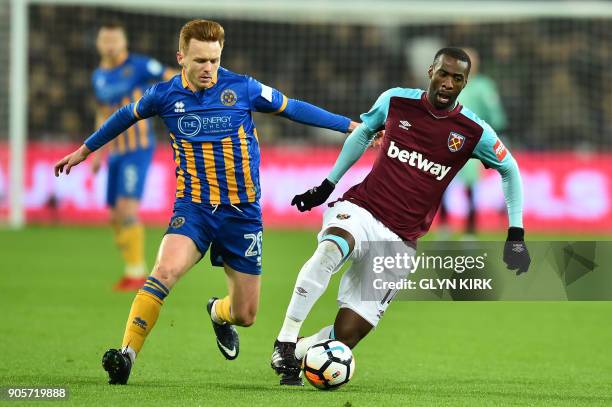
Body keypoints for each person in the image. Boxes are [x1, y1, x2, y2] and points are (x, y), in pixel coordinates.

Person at [54, 19, 358, 385]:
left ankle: (217, 312)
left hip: (242, 215)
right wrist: (85, 150)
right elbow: (124, 116)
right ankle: (126, 356)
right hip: (194, 208)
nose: (208, 69)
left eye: (214, 60)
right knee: (163, 273)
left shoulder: (242, 88)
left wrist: (348, 126)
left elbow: (292, 107)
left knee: (245, 315)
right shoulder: (164, 95)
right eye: (200, 61)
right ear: (181, 57)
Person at [270, 47, 531, 386]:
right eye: (443, 73)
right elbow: (363, 132)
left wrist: (516, 233)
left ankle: (303, 351)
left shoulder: (472, 131)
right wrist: (327, 185)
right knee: (332, 247)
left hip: (401, 239)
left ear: (465, 83)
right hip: (362, 208)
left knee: (348, 335)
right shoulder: (396, 101)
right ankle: (286, 340)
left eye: (457, 78)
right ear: (430, 71)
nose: (448, 83)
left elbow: (510, 169)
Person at [91, 22, 175, 291]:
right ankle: (131, 269)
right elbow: (102, 114)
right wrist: (95, 151)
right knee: (114, 215)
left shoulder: (140, 66)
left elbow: (171, 74)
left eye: (115, 39)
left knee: (128, 209)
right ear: (98, 44)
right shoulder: (99, 76)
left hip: (137, 149)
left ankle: (137, 272)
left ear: (124, 42)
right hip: (114, 151)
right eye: (106, 40)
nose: (110, 45)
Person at [437, 47, 508, 237]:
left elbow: (495, 114)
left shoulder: (484, 86)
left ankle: (470, 228)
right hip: (444, 140)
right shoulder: (447, 82)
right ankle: (443, 225)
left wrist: (491, 133)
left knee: (470, 185)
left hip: (471, 142)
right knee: (440, 181)